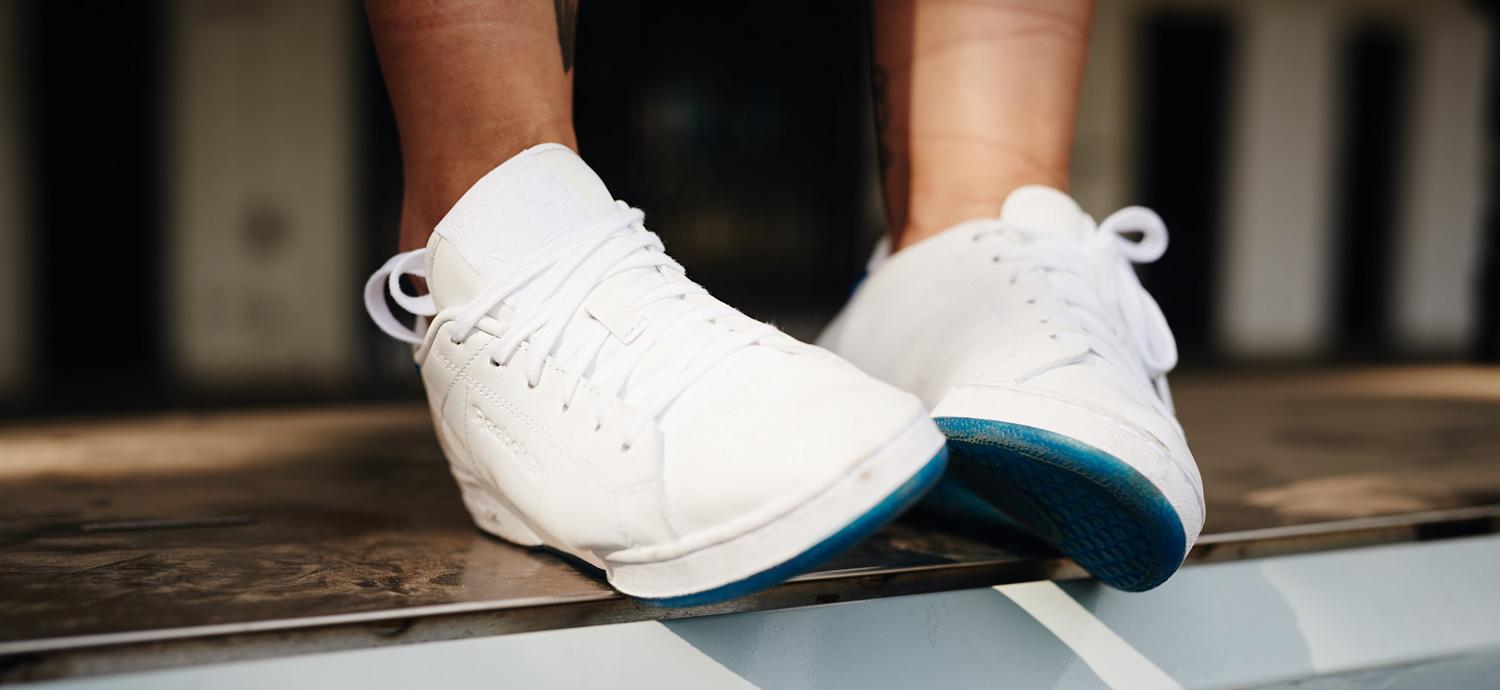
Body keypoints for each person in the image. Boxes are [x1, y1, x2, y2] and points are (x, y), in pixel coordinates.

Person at [363, 0, 1204, 604]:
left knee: (982, 183)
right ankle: (496, 235)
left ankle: (962, 233)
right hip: (494, 281)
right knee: (498, 165)